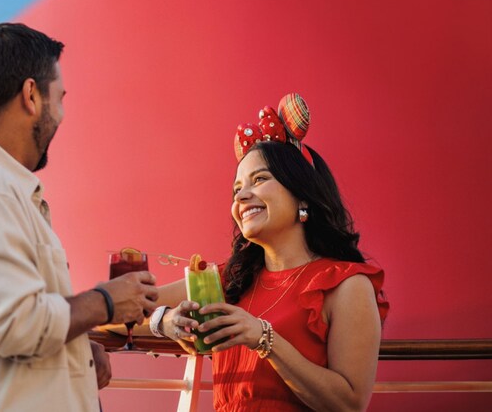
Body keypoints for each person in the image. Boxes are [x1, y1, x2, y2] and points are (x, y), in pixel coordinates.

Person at [0, 22, 161, 412]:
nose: (60, 115)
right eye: (59, 98)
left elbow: (2, 323)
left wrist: (74, 349)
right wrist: (106, 303)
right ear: (31, 95)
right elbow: (13, 326)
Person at [150, 93, 389, 411]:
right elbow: (123, 310)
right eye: (237, 189)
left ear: (302, 195)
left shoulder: (347, 285)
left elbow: (349, 403)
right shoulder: (227, 279)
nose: (242, 196)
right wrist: (163, 321)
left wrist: (264, 338)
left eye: (259, 179)